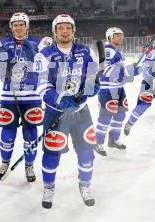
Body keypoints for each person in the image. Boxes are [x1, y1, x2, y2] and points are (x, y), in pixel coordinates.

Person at [35, 14, 99, 209]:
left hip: (81, 111)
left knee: (87, 152)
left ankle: (85, 185)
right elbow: (41, 85)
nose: (65, 31)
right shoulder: (43, 55)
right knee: (52, 153)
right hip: (56, 112)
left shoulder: (84, 51)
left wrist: (91, 87)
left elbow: (92, 76)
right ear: (55, 32)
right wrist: (59, 98)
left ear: (73, 30)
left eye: (68, 28)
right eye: (60, 28)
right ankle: (48, 187)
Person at [0, 12, 44, 183]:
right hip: (9, 96)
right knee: (7, 133)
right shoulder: (4, 44)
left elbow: (45, 67)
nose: (18, 27)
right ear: (11, 27)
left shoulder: (39, 43)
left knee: (30, 134)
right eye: (15, 25)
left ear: (26, 26)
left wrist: (34, 58)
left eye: (21, 24)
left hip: (32, 96)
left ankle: (29, 165)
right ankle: (4, 162)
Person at [94, 27, 140, 156]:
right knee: (106, 116)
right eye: (117, 35)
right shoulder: (108, 50)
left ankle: (113, 139)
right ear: (110, 36)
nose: (121, 37)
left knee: (120, 115)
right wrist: (129, 71)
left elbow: (121, 74)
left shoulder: (117, 51)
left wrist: (132, 71)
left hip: (119, 88)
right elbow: (106, 70)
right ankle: (98, 142)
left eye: (121, 35)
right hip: (108, 89)